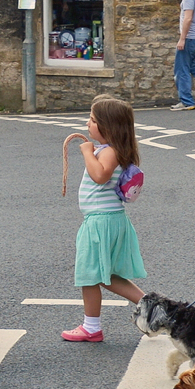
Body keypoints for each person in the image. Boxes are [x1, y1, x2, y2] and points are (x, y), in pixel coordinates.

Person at [59, 96, 147, 342]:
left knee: (90, 274)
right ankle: (150, 305)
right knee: (105, 274)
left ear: (107, 127)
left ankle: (91, 327)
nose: (87, 123)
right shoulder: (110, 150)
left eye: (93, 120)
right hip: (106, 219)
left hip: (100, 221)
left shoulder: (109, 152)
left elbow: (100, 176)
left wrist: (87, 152)